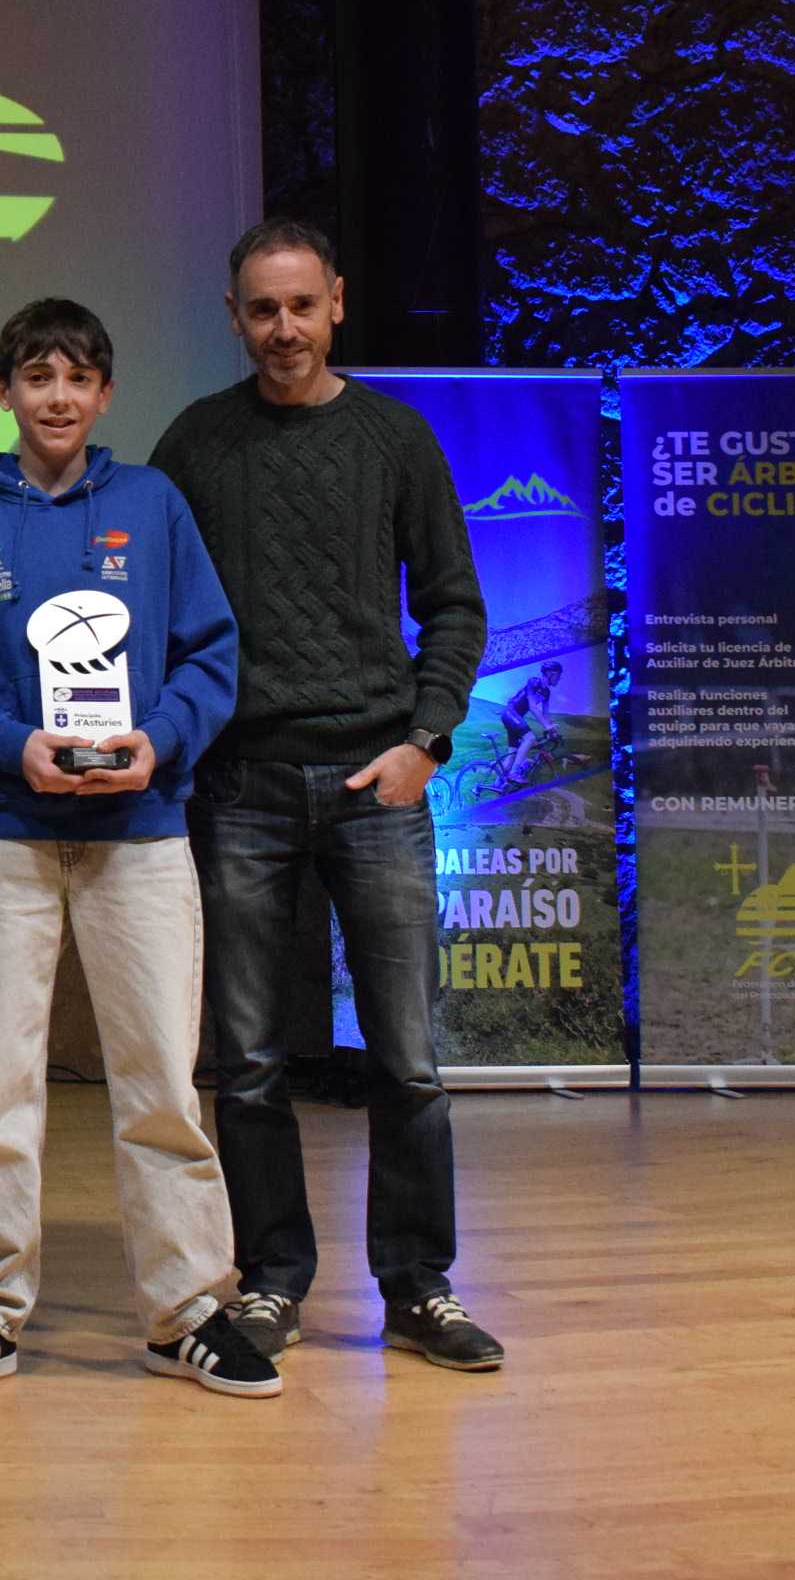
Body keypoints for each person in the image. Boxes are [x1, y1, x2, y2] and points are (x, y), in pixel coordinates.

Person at [0, 298, 278, 1402]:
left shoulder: (151, 504)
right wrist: (13, 749)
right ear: (4, 391)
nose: (56, 396)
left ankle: (187, 1306)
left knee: (161, 1082)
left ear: (105, 394)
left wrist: (156, 742)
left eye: (76, 377)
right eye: (36, 376)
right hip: (10, 837)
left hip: (139, 834)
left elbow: (209, 654)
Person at [161, 219, 505, 1373]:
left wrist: (425, 740)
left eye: (300, 305)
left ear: (337, 302)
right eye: (261, 308)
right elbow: (125, 565)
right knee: (249, 1059)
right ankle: (270, 1278)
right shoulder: (196, 442)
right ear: (233, 315)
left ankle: (419, 1286)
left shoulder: (394, 438)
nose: (283, 328)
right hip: (241, 784)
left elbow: (454, 603)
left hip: (377, 782)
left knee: (406, 1056)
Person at [499, 661, 564, 783]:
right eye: (558, 676)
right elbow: (533, 707)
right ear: (551, 674)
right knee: (530, 739)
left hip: (516, 718)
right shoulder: (533, 682)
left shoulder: (547, 692)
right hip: (510, 713)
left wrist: (553, 730)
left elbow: (546, 713)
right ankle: (514, 774)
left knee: (511, 757)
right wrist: (547, 726)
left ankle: (495, 785)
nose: (559, 679)